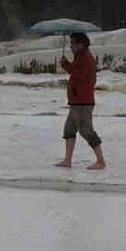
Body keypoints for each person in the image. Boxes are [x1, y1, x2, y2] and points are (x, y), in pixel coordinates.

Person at [54, 32, 106, 170]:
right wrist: (68, 64)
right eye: (70, 43)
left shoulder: (85, 58)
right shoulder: (80, 56)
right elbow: (77, 72)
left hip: (83, 102)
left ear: (81, 44)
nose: (70, 46)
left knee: (86, 131)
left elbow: (79, 74)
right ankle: (67, 160)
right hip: (77, 101)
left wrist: (65, 65)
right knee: (69, 130)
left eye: (72, 43)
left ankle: (100, 161)